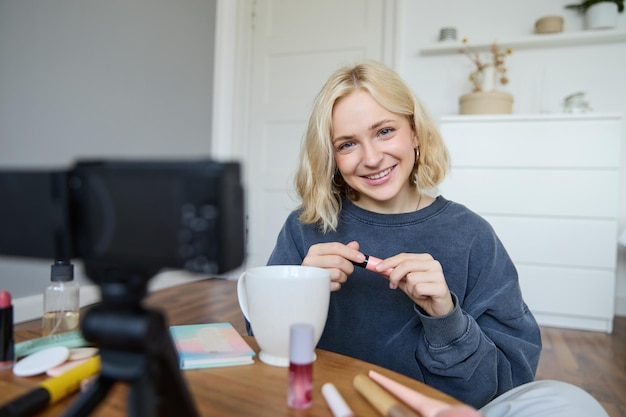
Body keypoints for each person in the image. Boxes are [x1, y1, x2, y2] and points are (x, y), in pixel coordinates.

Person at [264, 61, 605, 415]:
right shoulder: (305, 228)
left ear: (414, 132)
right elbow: (266, 349)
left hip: (444, 411)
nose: (371, 157)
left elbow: (508, 382)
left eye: (384, 131)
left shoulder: (471, 235)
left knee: (573, 404)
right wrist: (298, 289)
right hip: (323, 405)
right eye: (348, 144)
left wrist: (445, 316)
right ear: (331, 156)